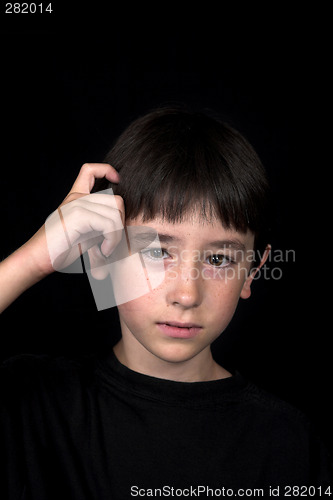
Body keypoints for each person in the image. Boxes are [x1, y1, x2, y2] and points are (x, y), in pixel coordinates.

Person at [0, 108, 331, 499]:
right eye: (157, 252)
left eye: (219, 259)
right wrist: (32, 260)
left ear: (252, 271)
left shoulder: (289, 441)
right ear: (101, 258)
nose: (187, 295)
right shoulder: (29, 402)